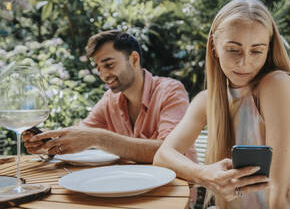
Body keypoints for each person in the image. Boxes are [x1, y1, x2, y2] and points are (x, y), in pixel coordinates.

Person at [153, 0, 290, 209]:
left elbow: (284, 193)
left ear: (268, 51)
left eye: (256, 51)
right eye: (233, 49)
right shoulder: (207, 100)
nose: (244, 62)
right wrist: (204, 174)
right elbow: (162, 156)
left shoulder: (276, 85)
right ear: (214, 47)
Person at [23, 30, 197, 164]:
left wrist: (98, 138)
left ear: (134, 60)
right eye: (99, 69)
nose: (104, 75)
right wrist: (47, 141)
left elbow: (171, 151)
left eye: (109, 64)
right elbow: (81, 133)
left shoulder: (170, 91)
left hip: (175, 192)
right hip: (131, 185)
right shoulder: (110, 100)